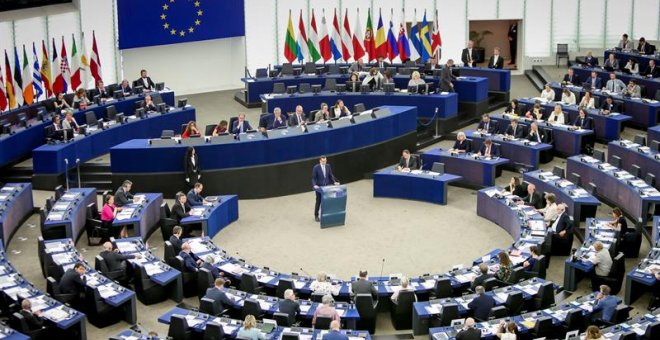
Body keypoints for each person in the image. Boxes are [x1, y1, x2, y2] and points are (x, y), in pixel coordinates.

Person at [312, 156, 339, 222]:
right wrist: (314, 185)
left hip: (327, 187)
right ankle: (316, 215)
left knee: (327, 201)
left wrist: (334, 182)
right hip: (319, 187)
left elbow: (330, 175)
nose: (324, 162)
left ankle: (326, 215)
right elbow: (313, 178)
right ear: (320, 161)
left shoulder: (328, 166)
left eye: (325, 161)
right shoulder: (316, 167)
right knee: (318, 201)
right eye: (323, 161)